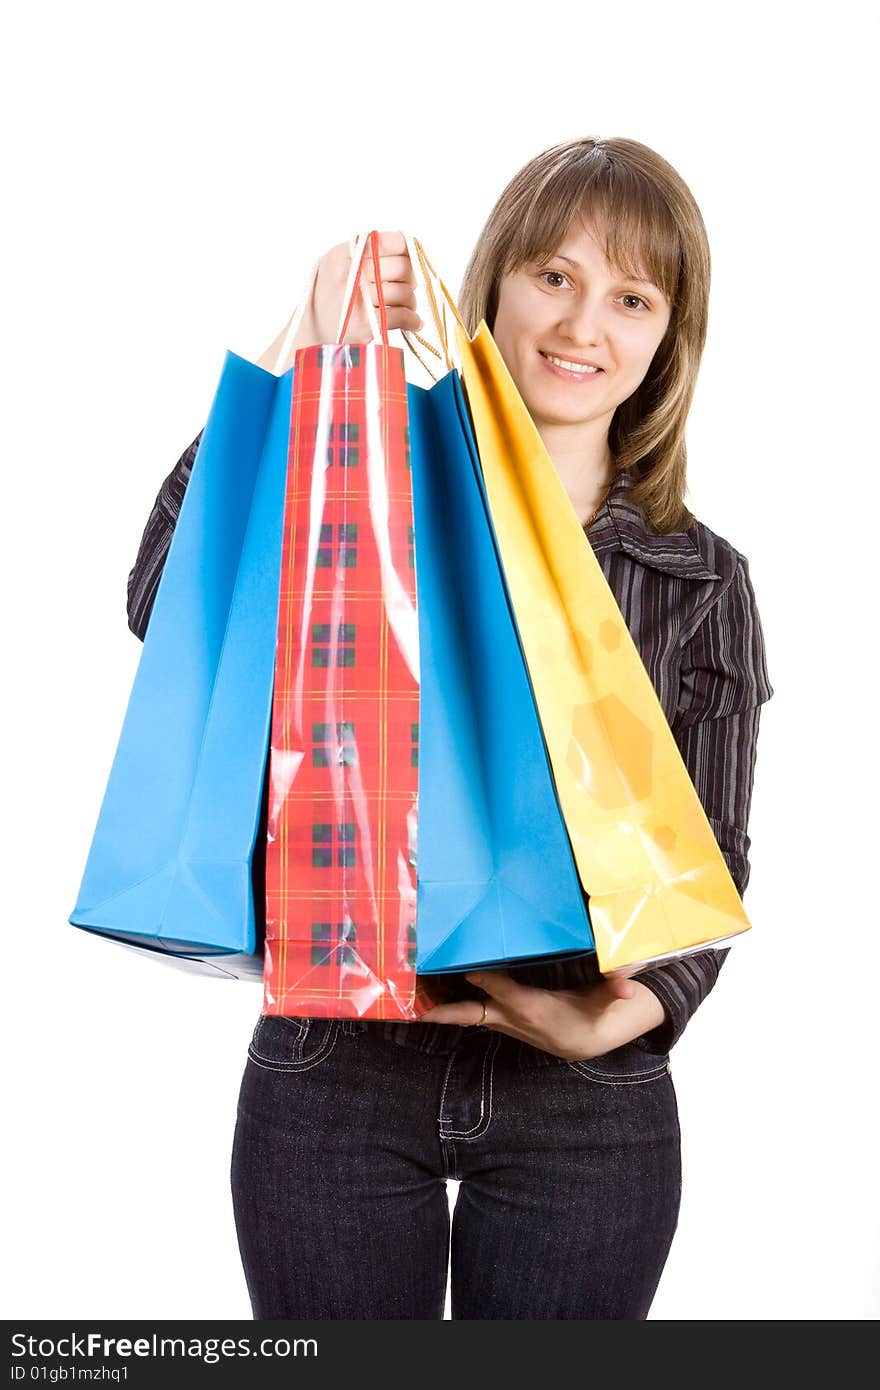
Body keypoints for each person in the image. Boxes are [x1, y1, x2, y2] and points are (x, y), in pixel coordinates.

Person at [126, 137, 774, 1320]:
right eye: (553, 275)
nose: (583, 324)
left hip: (588, 1108)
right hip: (337, 1065)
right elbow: (169, 599)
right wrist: (310, 358)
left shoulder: (698, 580)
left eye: (631, 296)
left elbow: (710, 851)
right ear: (494, 288)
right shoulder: (360, 493)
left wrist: (622, 1013)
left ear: (665, 339)